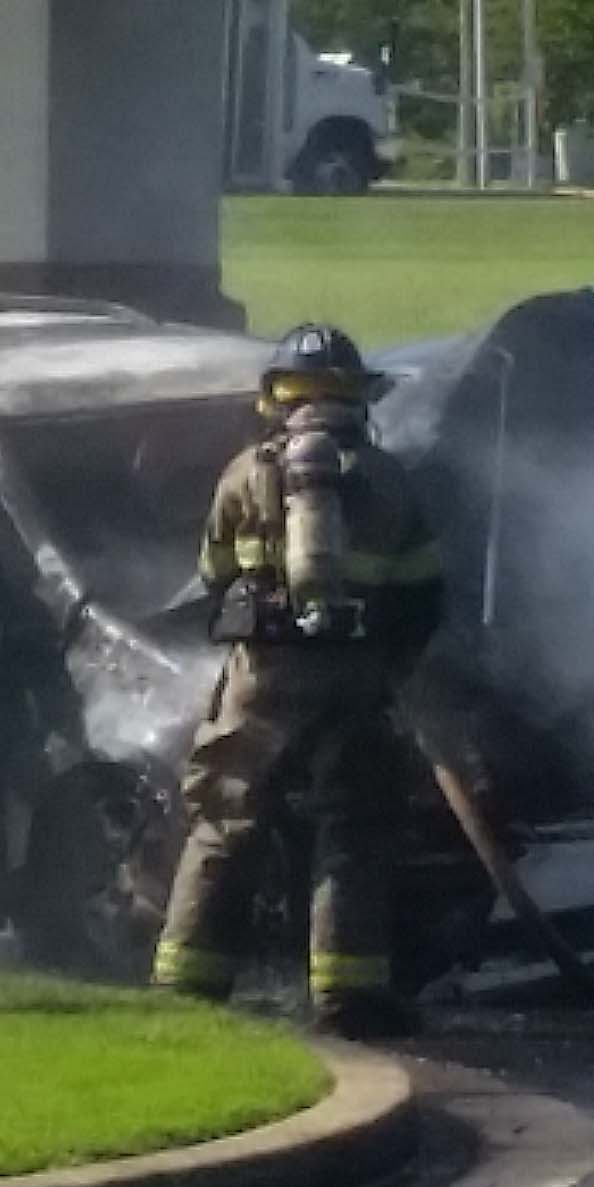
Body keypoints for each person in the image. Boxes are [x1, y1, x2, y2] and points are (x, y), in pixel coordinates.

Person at [157, 322, 448, 1037]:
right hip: (355, 682)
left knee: (225, 822)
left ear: (274, 399)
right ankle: (345, 997)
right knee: (351, 830)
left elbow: (212, 578)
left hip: (261, 680)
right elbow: (424, 595)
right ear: (357, 397)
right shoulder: (389, 481)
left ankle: (187, 986)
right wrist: (391, 668)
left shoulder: (241, 475)